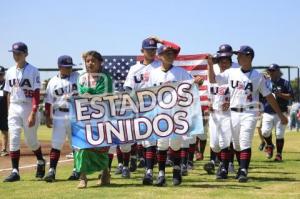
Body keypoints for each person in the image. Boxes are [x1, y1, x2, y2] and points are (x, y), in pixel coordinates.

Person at [208, 45, 288, 182]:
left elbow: (269, 96)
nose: (237, 57)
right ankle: (237, 168)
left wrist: (280, 115)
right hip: (233, 112)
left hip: (249, 113)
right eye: (237, 55)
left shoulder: (258, 77)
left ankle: (243, 170)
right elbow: (213, 80)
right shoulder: (231, 72)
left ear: (249, 57)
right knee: (236, 144)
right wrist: (210, 65)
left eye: (240, 55)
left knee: (244, 141)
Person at [147, 41, 193, 186]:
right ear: (159, 56)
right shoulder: (153, 74)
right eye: (167, 53)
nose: (170, 55)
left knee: (175, 144)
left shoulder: (180, 72)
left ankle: (176, 170)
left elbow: (192, 85)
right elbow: (148, 94)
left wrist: (197, 81)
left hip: (176, 113)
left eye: (172, 53)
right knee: (161, 144)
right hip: (160, 113)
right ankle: (161, 173)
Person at [3, 42, 46, 182]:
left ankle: (40, 160)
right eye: (14, 53)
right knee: (13, 138)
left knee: (31, 141)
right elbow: (8, 93)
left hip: (28, 106)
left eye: (19, 53)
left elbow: (36, 93)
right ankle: (15, 171)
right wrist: (9, 109)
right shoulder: (9, 71)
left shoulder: (33, 70)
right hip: (14, 106)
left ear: (26, 54)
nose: (16, 56)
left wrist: (34, 112)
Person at [75, 51, 112, 189]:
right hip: (84, 118)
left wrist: (88, 94)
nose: (90, 63)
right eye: (88, 61)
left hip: (102, 117)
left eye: (93, 61)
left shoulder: (105, 78)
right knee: (82, 147)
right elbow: (80, 94)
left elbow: (105, 94)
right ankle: (82, 178)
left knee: (101, 149)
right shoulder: (82, 78)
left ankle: (105, 174)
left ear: (100, 62)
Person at [43, 55, 79, 182]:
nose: (69, 69)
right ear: (59, 67)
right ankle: (51, 171)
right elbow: (48, 101)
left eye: (70, 66)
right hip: (59, 114)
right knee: (56, 143)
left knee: (76, 144)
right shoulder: (52, 82)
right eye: (66, 67)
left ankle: (77, 170)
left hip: (75, 114)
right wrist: (47, 116)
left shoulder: (78, 77)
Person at [204, 44, 235, 179]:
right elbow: (209, 87)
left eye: (226, 58)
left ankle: (225, 167)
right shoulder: (213, 69)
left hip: (229, 112)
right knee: (215, 145)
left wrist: (231, 102)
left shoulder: (236, 70)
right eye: (221, 58)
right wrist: (209, 103)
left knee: (226, 142)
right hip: (214, 112)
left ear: (230, 58)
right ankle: (222, 162)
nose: (223, 62)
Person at [262, 64, 293, 161]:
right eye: (269, 70)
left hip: (281, 111)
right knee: (265, 132)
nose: (271, 72)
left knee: (279, 134)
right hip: (268, 111)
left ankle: (279, 154)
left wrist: (280, 94)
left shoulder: (285, 83)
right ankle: (270, 145)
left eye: (273, 70)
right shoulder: (266, 82)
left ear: (278, 71)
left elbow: (291, 96)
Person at [0, 66, 9, 157]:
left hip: (3, 112)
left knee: (4, 130)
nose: (0, 76)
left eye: (1, 74)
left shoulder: (7, 85)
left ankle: (4, 149)